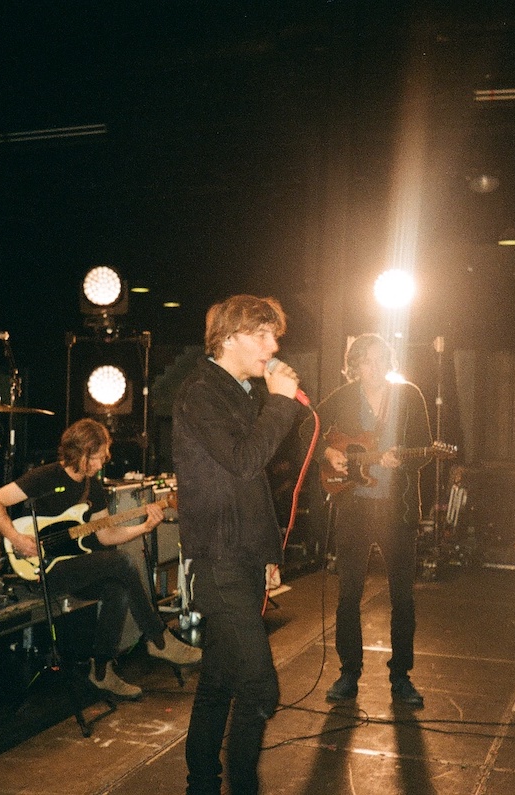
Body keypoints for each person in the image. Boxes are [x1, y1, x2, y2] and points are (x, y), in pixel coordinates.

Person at [172, 294, 304, 795]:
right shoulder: (202, 393)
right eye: (262, 335)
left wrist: (268, 553)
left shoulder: (242, 392)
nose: (273, 346)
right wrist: (281, 403)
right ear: (229, 338)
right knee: (260, 686)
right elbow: (246, 460)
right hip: (218, 557)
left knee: (218, 681)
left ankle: (202, 785)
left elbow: (252, 486)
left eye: (274, 335)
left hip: (243, 554)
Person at [0, 417, 201, 700]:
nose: (100, 464)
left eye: (102, 458)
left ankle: (101, 671)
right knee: (121, 562)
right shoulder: (44, 477)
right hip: (41, 569)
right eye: (96, 458)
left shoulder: (92, 487)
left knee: (118, 588)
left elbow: (105, 535)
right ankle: (157, 638)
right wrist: (15, 537)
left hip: (74, 566)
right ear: (79, 452)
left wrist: (144, 527)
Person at [312, 333, 432, 708]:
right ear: (355, 366)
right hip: (354, 509)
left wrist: (402, 460)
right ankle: (349, 674)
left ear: (389, 362)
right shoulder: (343, 397)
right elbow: (306, 429)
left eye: (380, 359)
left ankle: (401, 677)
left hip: (397, 511)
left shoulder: (408, 396)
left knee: (403, 598)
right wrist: (327, 452)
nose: (374, 367)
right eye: (366, 360)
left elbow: (426, 450)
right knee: (349, 595)